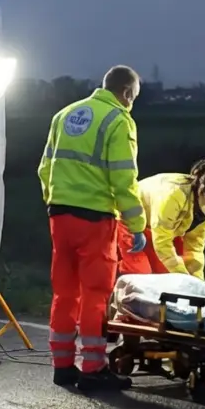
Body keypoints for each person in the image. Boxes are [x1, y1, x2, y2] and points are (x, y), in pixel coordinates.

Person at [38, 65, 144, 390]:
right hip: (95, 218)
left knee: (64, 292)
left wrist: (55, 202)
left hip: (59, 216)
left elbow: (44, 169)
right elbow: (123, 178)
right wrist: (136, 224)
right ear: (127, 93)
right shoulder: (118, 120)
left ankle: (62, 366)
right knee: (95, 294)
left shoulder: (64, 115)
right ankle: (93, 369)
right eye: (133, 98)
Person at [121, 160, 205, 279]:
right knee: (140, 274)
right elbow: (162, 242)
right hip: (131, 220)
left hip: (158, 228)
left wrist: (198, 281)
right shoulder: (173, 195)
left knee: (169, 272)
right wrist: (184, 278)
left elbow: (194, 245)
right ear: (201, 192)